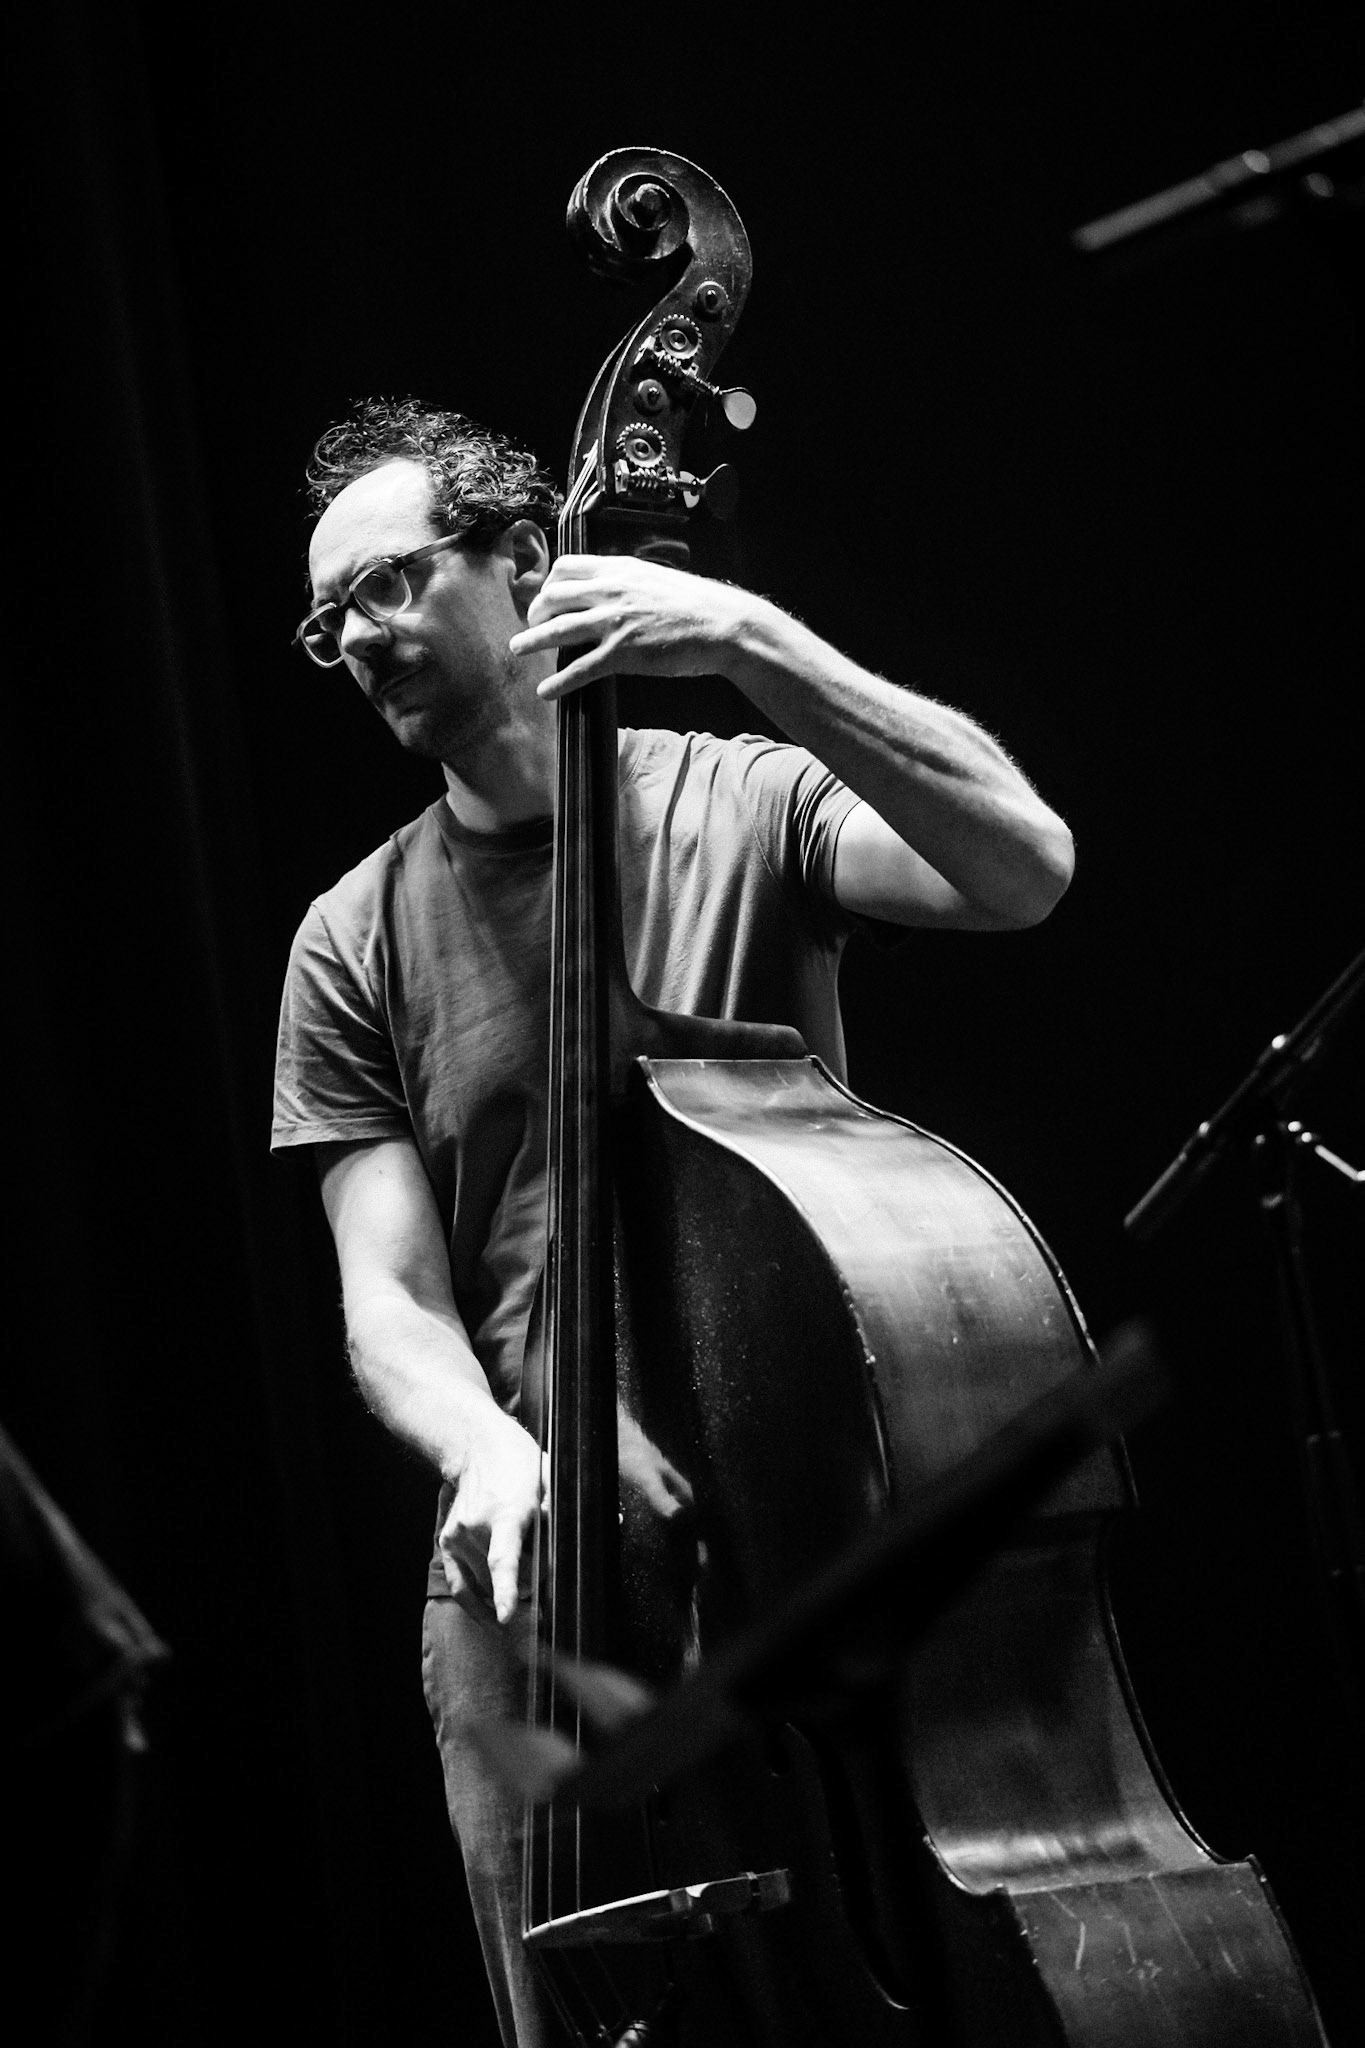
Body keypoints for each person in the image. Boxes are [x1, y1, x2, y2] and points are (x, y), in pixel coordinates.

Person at [271, 397, 1075, 2046]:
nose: (356, 637)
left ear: (526, 560)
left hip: (818, 1513)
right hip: (541, 1570)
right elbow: (387, 1302)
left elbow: (1022, 870)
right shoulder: (348, 941)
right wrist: (485, 1450)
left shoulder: (739, 796)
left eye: (389, 585)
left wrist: (754, 639)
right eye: (326, 616)